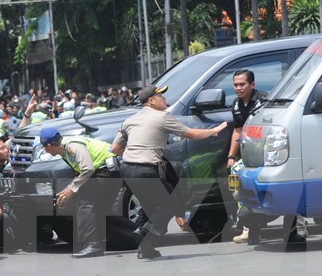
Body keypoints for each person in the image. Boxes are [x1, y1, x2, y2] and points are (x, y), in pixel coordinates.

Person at [111, 84, 227, 259]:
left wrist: (134, 154)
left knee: (149, 208)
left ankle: (145, 248)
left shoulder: (130, 120)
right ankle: (143, 232)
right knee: (171, 205)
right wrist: (213, 131)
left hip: (127, 170)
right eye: (160, 96)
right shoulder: (162, 116)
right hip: (146, 170)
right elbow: (191, 134)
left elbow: (115, 148)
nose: (165, 99)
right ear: (151, 101)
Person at [40, 127, 118, 258]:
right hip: (102, 172)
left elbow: (87, 168)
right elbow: (80, 174)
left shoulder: (72, 146)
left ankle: (93, 245)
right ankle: (134, 236)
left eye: (44, 148)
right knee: (98, 210)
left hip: (107, 171)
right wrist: (66, 192)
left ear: (48, 146)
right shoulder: (65, 150)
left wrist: (71, 190)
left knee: (85, 202)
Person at [226, 69, 267, 243]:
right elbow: (237, 132)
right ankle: (247, 228)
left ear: (252, 84)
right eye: (235, 85)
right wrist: (230, 157)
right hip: (248, 155)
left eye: (242, 84)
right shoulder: (236, 104)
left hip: (266, 154)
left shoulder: (263, 100)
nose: (238, 88)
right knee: (235, 182)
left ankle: (298, 226)